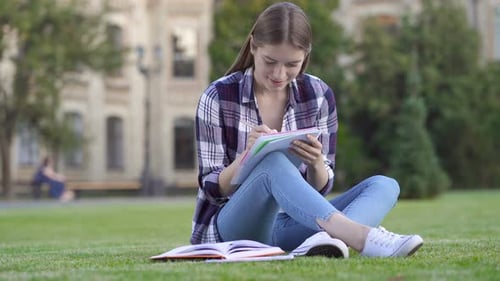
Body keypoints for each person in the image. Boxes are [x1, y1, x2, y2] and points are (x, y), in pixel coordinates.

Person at [192, 1, 423, 258]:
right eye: (270, 61)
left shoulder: (318, 94)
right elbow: (211, 186)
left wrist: (315, 164)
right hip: (236, 227)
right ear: (253, 47)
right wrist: (247, 157)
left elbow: (320, 189)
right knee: (274, 162)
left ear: (306, 56)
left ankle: (327, 241)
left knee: (385, 185)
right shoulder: (218, 96)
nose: (279, 73)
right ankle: (358, 237)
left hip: (296, 221)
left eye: (292, 64)